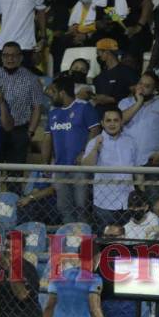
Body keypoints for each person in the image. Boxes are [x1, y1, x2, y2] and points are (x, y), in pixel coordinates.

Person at [43, 74, 101, 224]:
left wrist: (84, 152)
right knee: (63, 207)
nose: (51, 96)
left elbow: (95, 131)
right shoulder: (53, 113)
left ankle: (84, 240)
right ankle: (70, 240)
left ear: (62, 92)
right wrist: (44, 163)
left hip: (80, 168)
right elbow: (47, 138)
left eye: (53, 92)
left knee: (82, 206)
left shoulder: (84, 107)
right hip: (60, 168)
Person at [82, 108, 138, 230]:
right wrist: (96, 148)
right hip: (104, 202)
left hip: (128, 201)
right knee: (105, 241)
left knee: (128, 239)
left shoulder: (130, 142)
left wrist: (139, 194)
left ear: (121, 122)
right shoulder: (94, 142)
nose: (112, 124)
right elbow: (86, 166)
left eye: (116, 120)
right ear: (102, 123)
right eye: (108, 120)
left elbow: (137, 170)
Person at [89, 0, 153, 58]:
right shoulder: (100, 0)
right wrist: (104, 23)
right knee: (96, 37)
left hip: (135, 32)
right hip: (116, 33)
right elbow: (98, 23)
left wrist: (138, 27)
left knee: (134, 41)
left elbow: (148, 4)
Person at [0, 41, 43, 163]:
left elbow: (37, 108)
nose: (10, 59)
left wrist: (30, 132)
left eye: (14, 55)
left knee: (15, 174)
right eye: (6, 55)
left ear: (21, 58)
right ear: (2, 57)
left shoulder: (32, 79)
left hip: (20, 131)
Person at [118, 72, 159, 166]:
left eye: (146, 86)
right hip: (125, 158)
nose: (141, 88)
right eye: (140, 83)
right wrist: (139, 102)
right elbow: (120, 121)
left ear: (154, 90)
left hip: (151, 160)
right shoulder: (125, 102)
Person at [92, 38, 140, 113]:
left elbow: (137, 94)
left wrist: (112, 99)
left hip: (121, 113)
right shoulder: (100, 76)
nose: (97, 55)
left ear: (107, 52)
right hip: (100, 114)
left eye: (99, 52)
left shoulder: (127, 72)